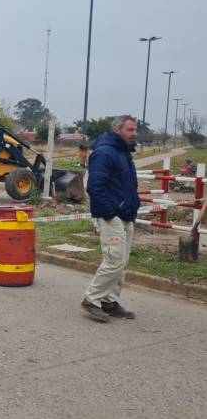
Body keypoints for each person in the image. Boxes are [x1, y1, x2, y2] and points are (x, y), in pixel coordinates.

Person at [81, 115, 140, 322]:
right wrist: (109, 213)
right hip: (110, 216)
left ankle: (109, 301)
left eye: (135, 130)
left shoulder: (124, 152)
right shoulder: (105, 152)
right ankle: (91, 298)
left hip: (125, 214)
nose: (134, 134)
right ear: (117, 130)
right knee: (114, 260)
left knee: (122, 262)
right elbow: (95, 186)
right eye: (130, 130)